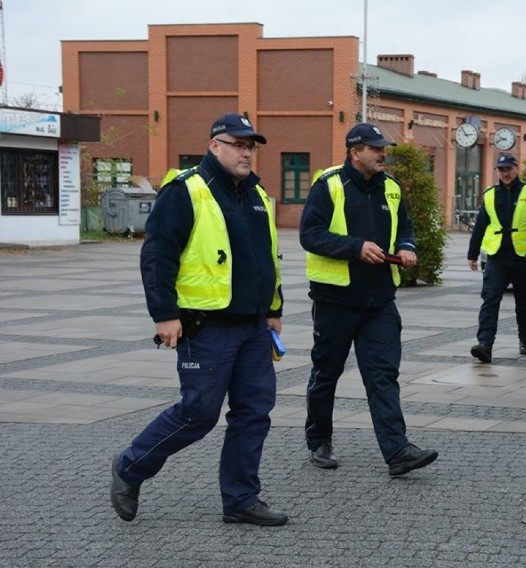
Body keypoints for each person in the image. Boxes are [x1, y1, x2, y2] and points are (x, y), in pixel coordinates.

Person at [109, 113, 289, 526]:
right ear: (214, 146)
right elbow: (157, 256)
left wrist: (274, 309)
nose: (247, 152)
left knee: (254, 412)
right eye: (238, 144)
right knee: (199, 412)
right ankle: (129, 467)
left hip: (252, 326)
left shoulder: (256, 193)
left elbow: (268, 259)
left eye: (251, 146)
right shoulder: (186, 190)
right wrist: (164, 314)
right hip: (205, 327)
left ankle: (241, 499)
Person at [299, 122, 438, 476]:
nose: (382, 153)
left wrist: (406, 247)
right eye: (375, 148)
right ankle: (319, 440)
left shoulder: (391, 188)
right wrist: (355, 247)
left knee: (383, 376)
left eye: (384, 147)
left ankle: (398, 452)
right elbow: (310, 235)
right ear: (354, 151)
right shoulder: (329, 185)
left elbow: (404, 227)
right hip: (335, 301)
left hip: (379, 302)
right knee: (326, 373)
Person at [467, 153, 526, 363]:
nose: (505, 173)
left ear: (516, 169)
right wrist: (472, 254)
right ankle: (485, 344)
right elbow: (480, 226)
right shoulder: (489, 195)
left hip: (523, 257)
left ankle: (525, 337)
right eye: (501, 169)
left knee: (525, 302)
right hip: (497, 257)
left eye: (508, 169)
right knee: (490, 299)